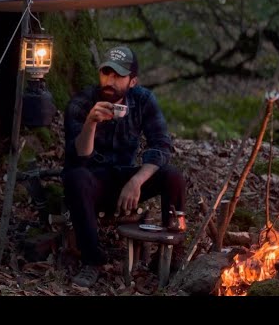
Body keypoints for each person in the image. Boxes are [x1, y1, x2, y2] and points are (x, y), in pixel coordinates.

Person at [62, 45, 186, 288]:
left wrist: (137, 180)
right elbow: (78, 157)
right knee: (75, 177)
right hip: (92, 179)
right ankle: (92, 261)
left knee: (173, 176)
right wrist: (91, 123)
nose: (110, 80)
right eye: (106, 73)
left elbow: (161, 146)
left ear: (132, 81)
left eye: (118, 75)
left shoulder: (142, 100)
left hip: (125, 176)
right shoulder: (81, 103)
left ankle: (170, 256)